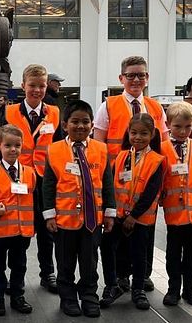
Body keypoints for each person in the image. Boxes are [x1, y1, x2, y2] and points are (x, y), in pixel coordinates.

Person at [93, 55, 167, 293]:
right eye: (131, 75)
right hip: (118, 183)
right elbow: (98, 144)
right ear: (121, 78)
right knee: (118, 233)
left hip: (147, 180)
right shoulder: (109, 105)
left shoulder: (155, 108)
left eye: (141, 75)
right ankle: (122, 275)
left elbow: (163, 144)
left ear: (147, 78)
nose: (136, 79)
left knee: (145, 232)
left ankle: (143, 275)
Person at [43, 100, 116, 318]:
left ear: (93, 125)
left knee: (89, 262)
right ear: (65, 125)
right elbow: (48, 185)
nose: (80, 126)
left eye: (85, 122)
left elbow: (108, 182)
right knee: (65, 263)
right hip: (64, 221)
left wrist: (110, 213)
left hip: (92, 220)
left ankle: (89, 297)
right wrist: (49, 215)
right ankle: (68, 298)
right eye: (75, 122)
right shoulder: (54, 150)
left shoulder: (101, 150)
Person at [1, 64, 64, 294]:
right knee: (18, 231)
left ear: (46, 86)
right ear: (22, 85)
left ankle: (48, 273)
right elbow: (2, 148)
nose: (37, 90)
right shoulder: (9, 112)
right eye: (32, 86)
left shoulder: (55, 112)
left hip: (46, 181)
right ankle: (15, 276)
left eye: (41, 86)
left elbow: (59, 147)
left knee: (47, 229)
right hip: (19, 180)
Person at [101, 113, 164, 310]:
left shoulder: (157, 160)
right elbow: (110, 186)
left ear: (152, 134)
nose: (138, 137)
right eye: (134, 133)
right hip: (118, 215)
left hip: (140, 218)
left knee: (139, 253)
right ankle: (114, 283)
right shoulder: (120, 156)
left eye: (144, 134)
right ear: (128, 132)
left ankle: (138, 289)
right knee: (109, 248)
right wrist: (110, 212)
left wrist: (134, 215)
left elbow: (151, 192)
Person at [0, 124, 35, 316]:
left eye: (17, 145)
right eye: (8, 145)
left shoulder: (29, 172)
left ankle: (18, 295)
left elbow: (33, 199)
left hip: (22, 231)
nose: (13, 149)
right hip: (0, 231)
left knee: (19, 264)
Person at [160, 102, 192, 307]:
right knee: (173, 253)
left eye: (187, 127)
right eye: (177, 126)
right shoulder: (161, 148)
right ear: (168, 124)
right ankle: (173, 289)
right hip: (173, 213)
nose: (182, 131)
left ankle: (191, 289)